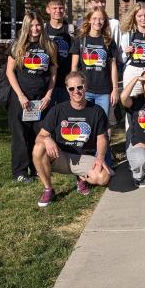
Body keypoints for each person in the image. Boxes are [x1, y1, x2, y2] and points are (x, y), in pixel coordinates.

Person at [32, 71, 112, 207]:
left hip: (83, 157)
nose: (76, 91)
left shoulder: (96, 111)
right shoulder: (57, 110)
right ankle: (48, 189)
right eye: (72, 88)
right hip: (61, 156)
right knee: (39, 148)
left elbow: (102, 138)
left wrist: (100, 157)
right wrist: (47, 140)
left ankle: (81, 178)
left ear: (85, 87)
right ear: (67, 90)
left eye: (79, 87)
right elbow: (40, 136)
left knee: (103, 178)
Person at [5, 12, 57, 182]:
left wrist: (48, 96)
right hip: (21, 99)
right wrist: (20, 96)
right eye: (31, 26)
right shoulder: (18, 46)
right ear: (26, 27)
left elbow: (53, 72)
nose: (35, 29)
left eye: (38, 25)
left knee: (39, 134)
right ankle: (19, 173)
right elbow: (9, 72)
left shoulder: (49, 46)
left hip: (41, 99)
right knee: (20, 135)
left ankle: (37, 168)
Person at [70, 8, 118, 117]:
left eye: (101, 19)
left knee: (102, 124)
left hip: (104, 91)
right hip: (84, 90)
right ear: (89, 20)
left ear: (105, 21)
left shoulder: (109, 42)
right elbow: (74, 67)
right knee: (85, 120)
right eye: (95, 18)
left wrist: (115, 90)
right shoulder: (80, 40)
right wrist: (74, 88)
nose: (98, 21)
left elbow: (113, 67)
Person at [44, 0, 75, 103]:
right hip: (47, 81)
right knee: (49, 115)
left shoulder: (71, 30)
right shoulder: (43, 30)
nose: (58, 11)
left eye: (61, 8)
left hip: (66, 80)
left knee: (65, 114)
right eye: (54, 8)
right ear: (48, 10)